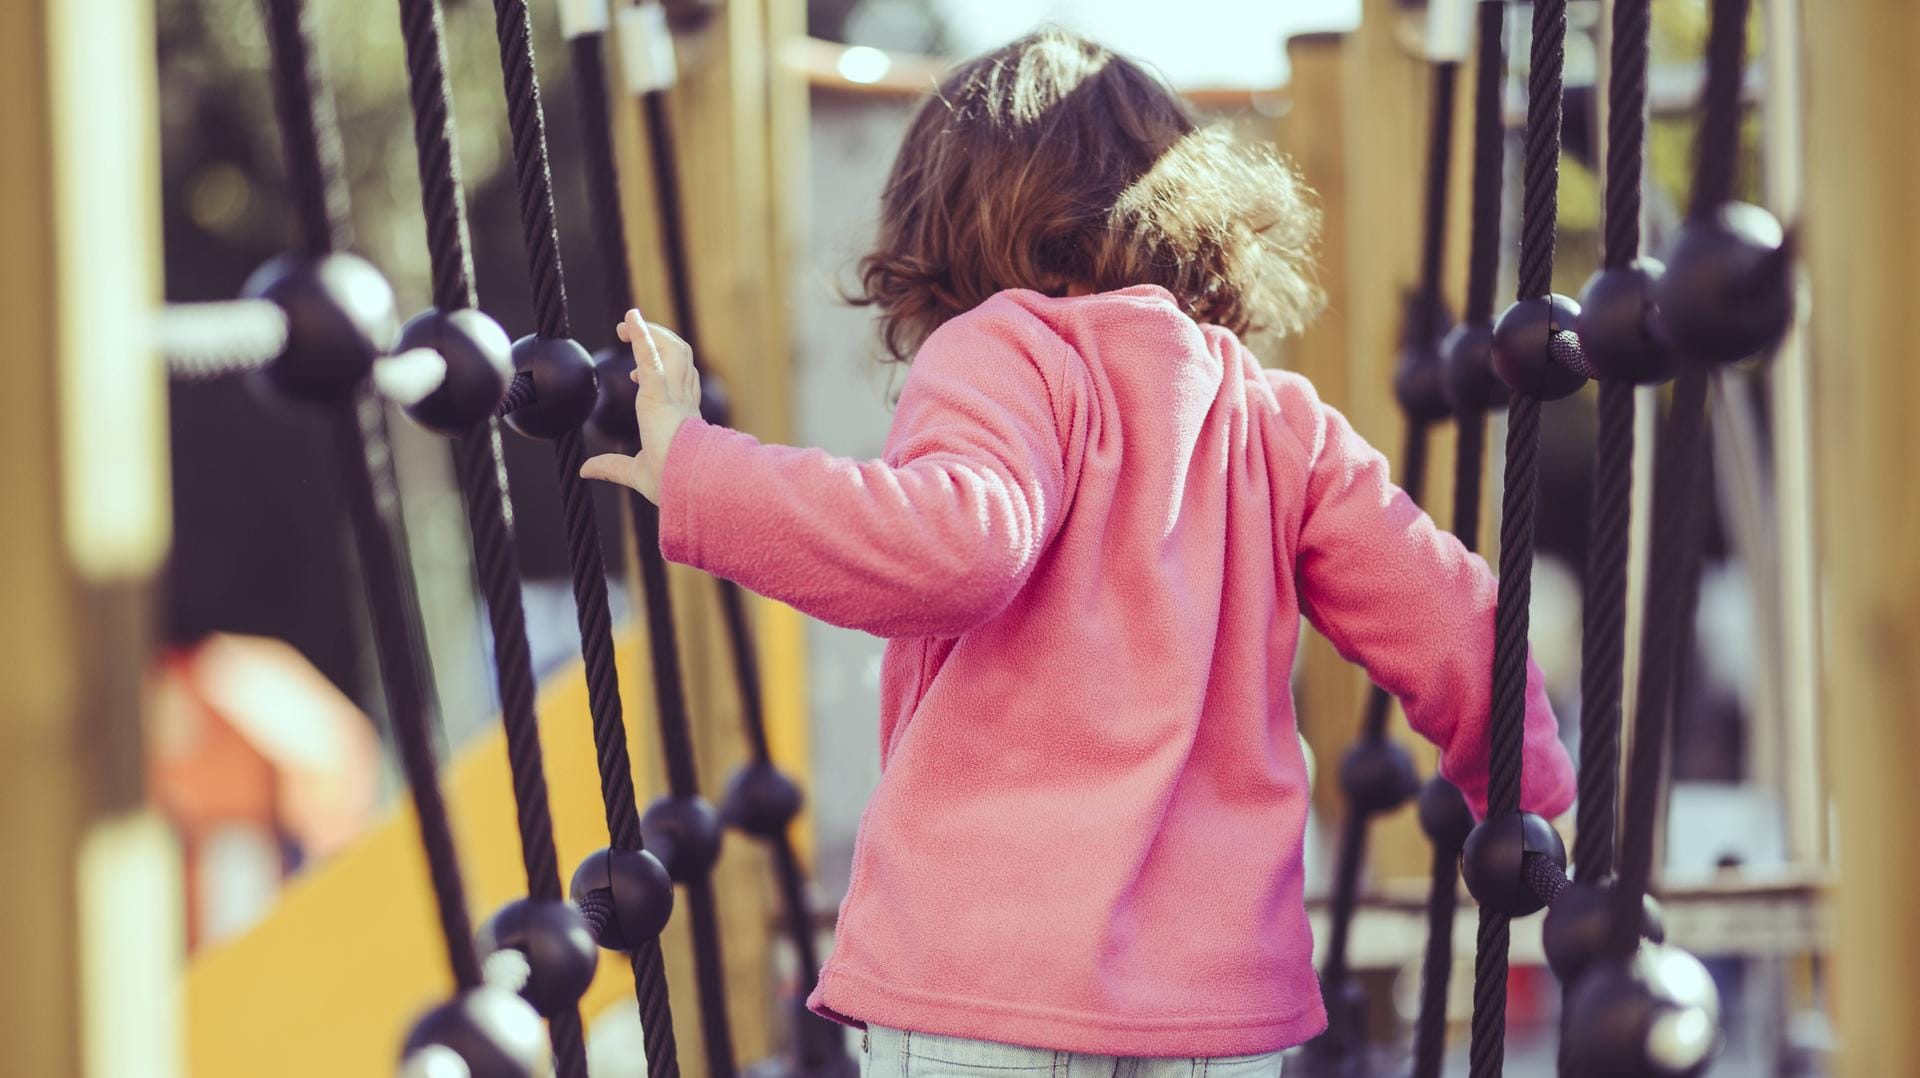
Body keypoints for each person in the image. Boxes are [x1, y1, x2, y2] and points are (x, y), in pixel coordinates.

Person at [582, 27, 1573, 1077]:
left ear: (947, 220)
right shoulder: (1277, 417)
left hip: (986, 988)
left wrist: (701, 472)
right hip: (1216, 1012)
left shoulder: (1001, 353)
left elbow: (954, 544)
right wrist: (1531, 798)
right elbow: (1453, 619)